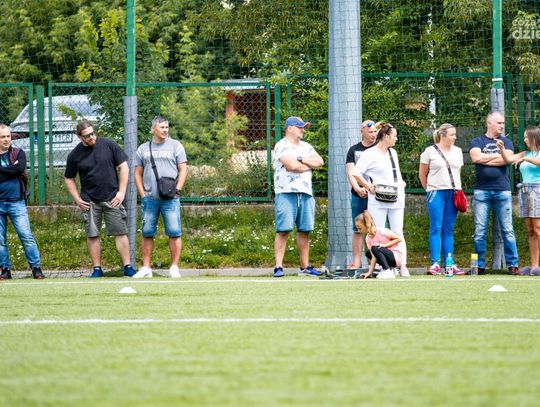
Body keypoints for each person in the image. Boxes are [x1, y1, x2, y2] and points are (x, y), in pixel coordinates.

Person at [64, 120, 136, 278]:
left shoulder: (109, 144)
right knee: (92, 234)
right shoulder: (75, 155)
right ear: (79, 137)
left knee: (120, 232)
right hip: (89, 201)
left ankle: (128, 267)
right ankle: (97, 269)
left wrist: (121, 192)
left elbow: (124, 166)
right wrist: (77, 199)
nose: (91, 137)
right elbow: (68, 178)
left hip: (112, 198)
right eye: (87, 136)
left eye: (92, 133)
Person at [351, 122, 409, 277]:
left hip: (396, 196)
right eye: (394, 136)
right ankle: (380, 266)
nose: (396, 139)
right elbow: (356, 173)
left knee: (397, 231)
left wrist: (401, 183)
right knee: (376, 232)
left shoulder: (393, 153)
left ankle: (402, 265)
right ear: (386, 136)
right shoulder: (370, 153)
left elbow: (395, 173)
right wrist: (368, 186)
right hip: (378, 198)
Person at [133, 116, 188, 278]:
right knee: (147, 232)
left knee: (174, 232)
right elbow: (137, 173)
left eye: (167, 127)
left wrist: (178, 190)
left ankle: (174, 267)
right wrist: (142, 194)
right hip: (150, 199)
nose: (165, 130)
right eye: (162, 127)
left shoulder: (176, 146)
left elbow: (183, 169)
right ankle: (146, 268)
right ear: (153, 129)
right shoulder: (143, 148)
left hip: (170, 199)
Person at [272, 116, 324, 278]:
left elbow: (319, 162)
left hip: (306, 193)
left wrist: (301, 159)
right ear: (290, 128)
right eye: (300, 127)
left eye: (303, 127)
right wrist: (307, 165)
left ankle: (305, 266)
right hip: (285, 192)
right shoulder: (281, 145)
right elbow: (291, 165)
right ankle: (278, 267)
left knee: (305, 230)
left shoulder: (306, 146)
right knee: (283, 230)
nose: (303, 130)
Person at [468, 112, 519, 275]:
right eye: (499, 123)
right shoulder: (477, 141)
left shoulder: (506, 142)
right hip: (481, 191)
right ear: (489, 123)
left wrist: (492, 157)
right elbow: (475, 158)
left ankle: (513, 264)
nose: (502, 126)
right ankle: (479, 266)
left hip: (502, 190)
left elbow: (508, 160)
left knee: (507, 230)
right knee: (479, 231)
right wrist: (499, 156)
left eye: (503, 123)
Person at [419, 123, 465, 275]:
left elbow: (458, 172)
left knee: (448, 228)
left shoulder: (458, 151)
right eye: (452, 135)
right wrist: (429, 189)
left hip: (453, 192)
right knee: (436, 227)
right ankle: (435, 263)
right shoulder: (429, 151)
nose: (455, 137)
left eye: (455, 134)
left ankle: (449, 263)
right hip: (436, 192)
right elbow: (422, 174)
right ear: (443, 135)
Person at [0, 124, 44, 280]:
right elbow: (14, 170)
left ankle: (36, 268)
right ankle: (5, 269)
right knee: (0, 240)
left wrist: (8, 170)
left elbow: (19, 169)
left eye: (8, 136)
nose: (6, 139)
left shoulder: (18, 153)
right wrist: (11, 170)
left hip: (16, 202)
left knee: (26, 235)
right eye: (2, 137)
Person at [496, 126, 540, 276]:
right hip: (525, 191)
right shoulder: (524, 153)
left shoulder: (529, 156)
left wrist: (526, 159)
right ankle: (534, 266)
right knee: (531, 230)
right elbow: (508, 159)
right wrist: (502, 149)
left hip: (538, 190)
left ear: (534, 137)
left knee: (538, 229)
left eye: (527, 137)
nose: (524, 139)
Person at [345, 119, 377, 269]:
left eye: (375, 131)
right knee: (358, 229)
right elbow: (351, 172)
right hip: (358, 195)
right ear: (362, 132)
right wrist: (358, 188)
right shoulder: (353, 150)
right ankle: (357, 262)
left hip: (377, 196)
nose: (373, 134)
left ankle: (378, 263)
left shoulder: (380, 148)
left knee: (377, 227)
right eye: (370, 132)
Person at [355, 210, 404, 279]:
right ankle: (389, 269)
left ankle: (387, 271)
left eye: (360, 228)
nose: (359, 231)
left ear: (367, 224)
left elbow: (398, 239)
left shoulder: (382, 231)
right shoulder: (368, 239)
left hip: (395, 257)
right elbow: (374, 256)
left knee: (375, 248)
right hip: (387, 258)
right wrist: (369, 272)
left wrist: (385, 245)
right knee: (369, 253)